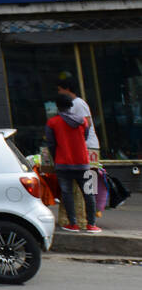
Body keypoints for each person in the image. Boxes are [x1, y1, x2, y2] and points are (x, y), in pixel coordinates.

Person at [45, 94, 101, 233]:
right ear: (71, 105)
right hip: (83, 162)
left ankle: (73, 224)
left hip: (63, 164)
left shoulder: (52, 122)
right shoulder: (83, 121)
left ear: (57, 106)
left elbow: (51, 144)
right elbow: (85, 137)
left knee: (67, 193)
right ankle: (91, 225)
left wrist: (56, 156)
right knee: (89, 193)